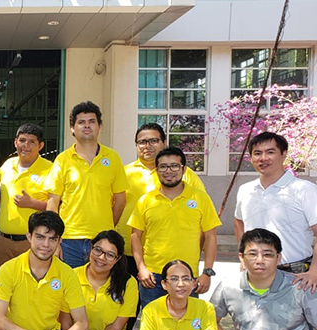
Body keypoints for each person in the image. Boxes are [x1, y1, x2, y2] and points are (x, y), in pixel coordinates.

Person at [234, 131, 317, 292]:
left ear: (284, 154)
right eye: (257, 153)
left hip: (294, 277)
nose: (263, 158)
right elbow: (239, 222)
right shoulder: (245, 190)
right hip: (255, 275)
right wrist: (244, 257)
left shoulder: (304, 190)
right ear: (251, 158)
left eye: (270, 152)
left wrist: (315, 272)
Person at [129, 146, 221, 310]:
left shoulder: (200, 198)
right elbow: (135, 236)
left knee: (185, 328)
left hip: (186, 277)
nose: (168, 171)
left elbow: (211, 237)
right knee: (153, 328)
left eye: (174, 166)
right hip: (152, 278)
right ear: (157, 170)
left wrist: (207, 272)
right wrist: (141, 268)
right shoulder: (146, 200)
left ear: (184, 169)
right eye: (163, 166)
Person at [116, 123, 205, 278]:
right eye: (142, 142)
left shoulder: (185, 174)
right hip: (127, 253)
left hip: (171, 257)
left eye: (153, 141)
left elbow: (204, 219)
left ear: (164, 142)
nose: (147, 146)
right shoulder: (123, 173)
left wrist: (196, 251)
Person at [45, 101, 127, 268]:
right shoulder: (63, 160)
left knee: (100, 288)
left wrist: (107, 225)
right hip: (69, 241)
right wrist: (55, 240)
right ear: (72, 128)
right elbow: (53, 202)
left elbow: (120, 200)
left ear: (100, 126)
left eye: (91, 121)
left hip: (102, 240)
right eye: (81, 122)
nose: (87, 126)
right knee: (70, 289)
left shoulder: (112, 158)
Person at [0, 124, 53, 267]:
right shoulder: (8, 165)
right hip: (4, 242)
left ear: (41, 146)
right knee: (6, 285)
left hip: (33, 242)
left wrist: (32, 203)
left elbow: (59, 206)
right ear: (15, 142)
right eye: (22, 140)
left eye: (32, 142)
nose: (26, 145)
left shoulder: (50, 169)